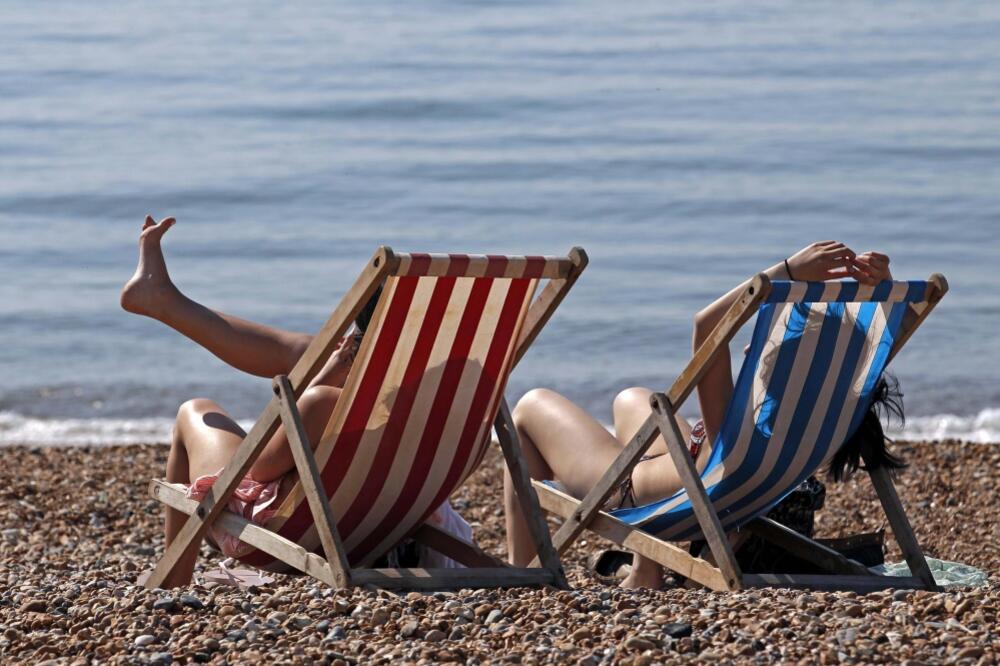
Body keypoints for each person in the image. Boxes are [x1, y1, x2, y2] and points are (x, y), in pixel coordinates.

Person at [504, 240, 901, 589]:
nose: (749, 350)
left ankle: (523, 570)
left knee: (528, 407)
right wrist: (877, 289)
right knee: (633, 398)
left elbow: (706, 325)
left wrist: (786, 271)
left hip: (630, 492)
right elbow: (863, 350)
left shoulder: (739, 425)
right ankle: (647, 566)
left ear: (776, 368)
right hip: (710, 486)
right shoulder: (827, 412)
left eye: (765, 350)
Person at [121, 216, 463, 586]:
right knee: (304, 351)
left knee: (197, 411)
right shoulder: (448, 396)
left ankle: (174, 576)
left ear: (359, 340)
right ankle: (163, 299)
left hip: (298, 533)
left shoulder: (325, 402)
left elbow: (261, 469)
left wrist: (319, 382)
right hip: (394, 530)